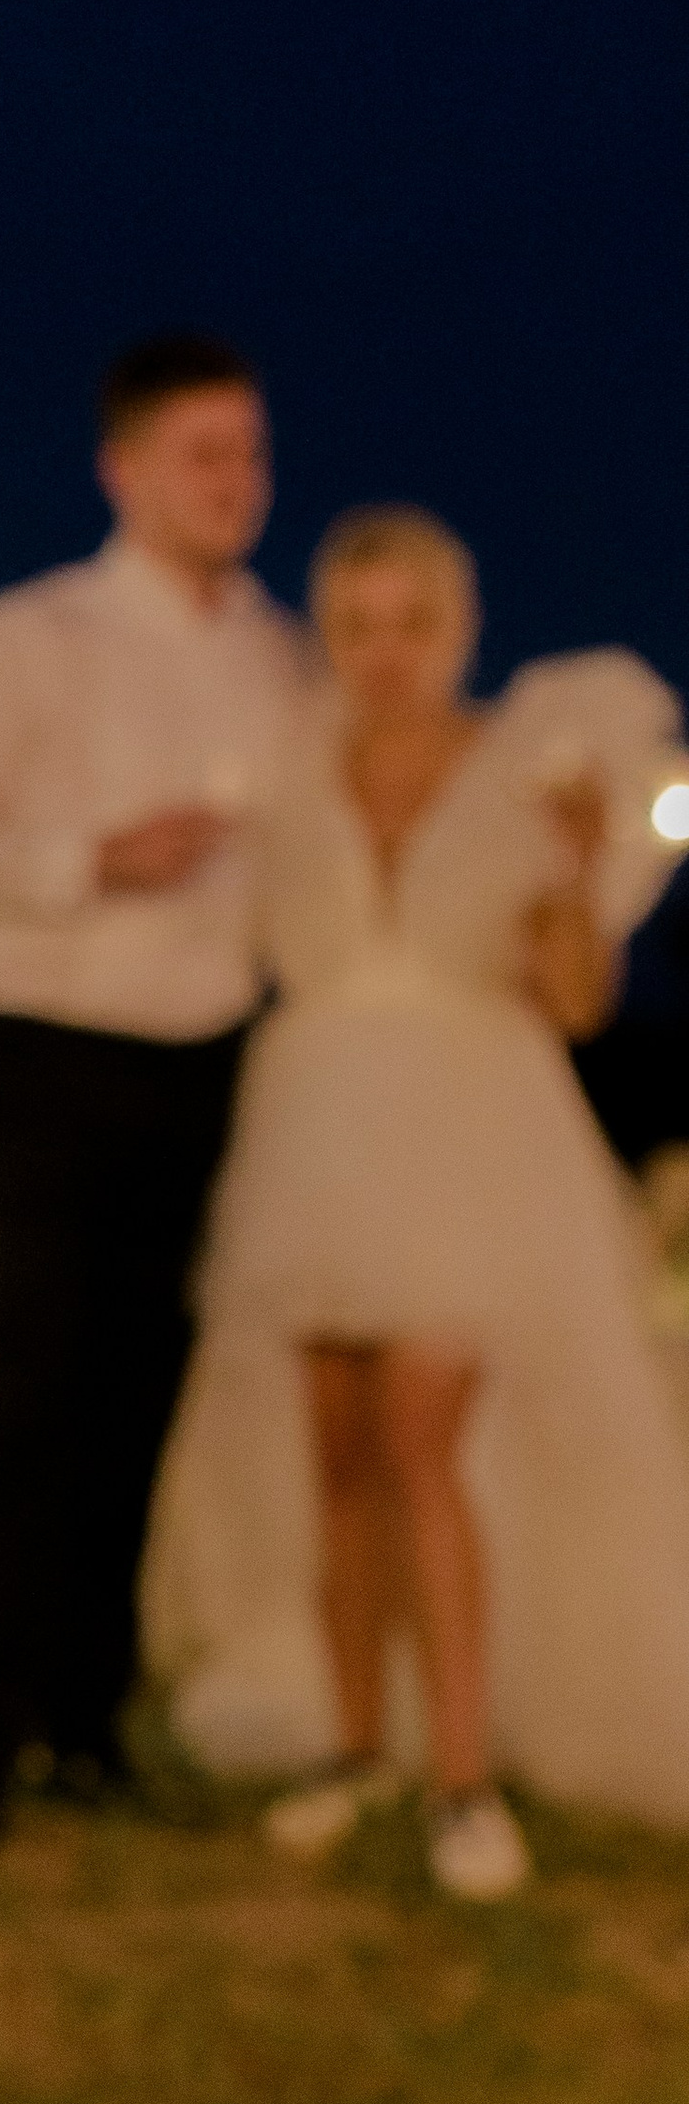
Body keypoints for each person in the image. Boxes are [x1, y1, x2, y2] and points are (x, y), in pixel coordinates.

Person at [147, 511, 689, 1889]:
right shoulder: (289, 763)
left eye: (412, 624)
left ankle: (460, 1775)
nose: (385, 655)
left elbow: (574, 1004)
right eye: (357, 627)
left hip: (465, 1134)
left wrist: (576, 867)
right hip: (315, 1124)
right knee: (335, 1459)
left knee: (425, 1443)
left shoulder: (525, 766)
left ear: (461, 627)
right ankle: (353, 1747)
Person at [0, 333, 312, 1863]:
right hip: (50, 1050)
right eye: (205, 454)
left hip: (209, 1063)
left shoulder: (283, 657)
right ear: (123, 470)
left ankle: (87, 1722)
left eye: (251, 452)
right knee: (42, 1396)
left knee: (147, 1394)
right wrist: (90, 861)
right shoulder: (34, 636)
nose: (236, 483)